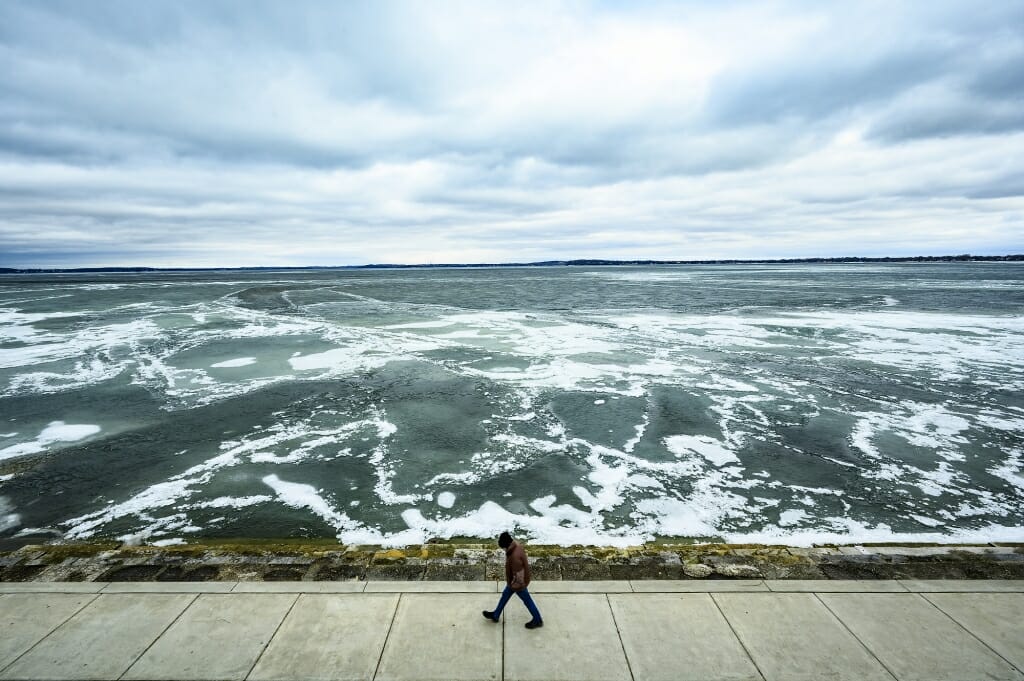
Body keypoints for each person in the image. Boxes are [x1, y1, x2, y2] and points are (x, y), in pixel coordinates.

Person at [482, 531, 543, 629]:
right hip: (513, 581)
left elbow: (519, 577)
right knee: (505, 596)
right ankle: (496, 615)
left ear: (506, 545)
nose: (503, 550)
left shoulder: (515, 557)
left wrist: (512, 586)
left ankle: (537, 620)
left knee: (527, 601)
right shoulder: (516, 546)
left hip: (518, 584)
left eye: (503, 548)